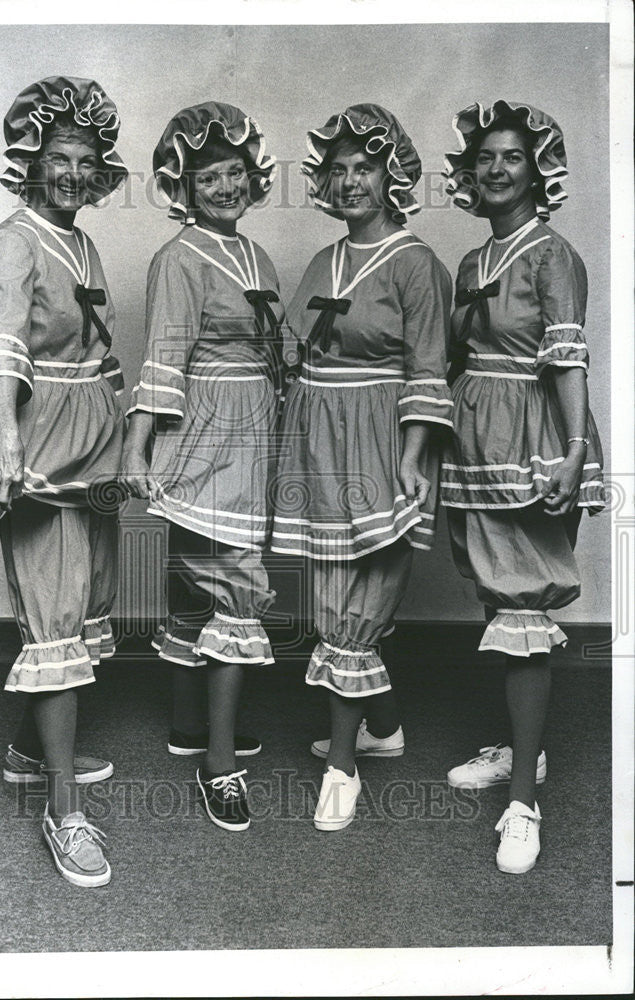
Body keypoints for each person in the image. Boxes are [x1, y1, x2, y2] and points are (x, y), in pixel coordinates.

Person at [272, 104, 453, 830]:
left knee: (355, 601)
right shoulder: (324, 259)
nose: (348, 182)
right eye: (336, 169)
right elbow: (291, 349)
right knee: (330, 586)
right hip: (316, 435)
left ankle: (340, 767)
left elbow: (429, 370)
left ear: (393, 175)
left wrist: (413, 457)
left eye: (364, 168)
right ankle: (383, 729)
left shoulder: (416, 264)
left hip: (379, 438)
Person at [441, 99, 605, 873]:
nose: (498, 169)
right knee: (496, 599)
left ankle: (523, 805)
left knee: (522, 605)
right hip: (475, 437)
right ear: (469, 173)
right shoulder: (473, 262)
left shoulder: (551, 255)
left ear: (538, 169)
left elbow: (566, 360)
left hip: (534, 439)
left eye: (513, 157)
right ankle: (521, 751)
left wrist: (572, 452)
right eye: (486, 158)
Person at [0, 77, 128, 887]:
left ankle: (30, 753)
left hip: (92, 443)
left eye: (83, 160)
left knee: (86, 595)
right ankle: (64, 812)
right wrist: (5, 443)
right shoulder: (14, 241)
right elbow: (5, 346)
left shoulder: (82, 242)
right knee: (53, 610)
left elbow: (94, 348)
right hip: (37, 445)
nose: (70, 173)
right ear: (29, 165)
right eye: (56, 158)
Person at [121, 102, 284, 832]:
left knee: (201, 587)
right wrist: (137, 448)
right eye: (206, 176)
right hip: (207, 435)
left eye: (233, 172)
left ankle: (191, 726)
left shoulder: (255, 254)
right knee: (231, 590)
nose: (223, 185)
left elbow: (271, 352)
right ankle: (219, 762)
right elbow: (163, 356)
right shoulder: (179, 257)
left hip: (255, 437)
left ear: (253, 178)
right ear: (180, 190)